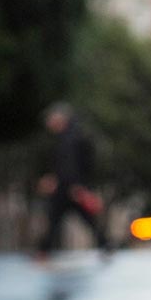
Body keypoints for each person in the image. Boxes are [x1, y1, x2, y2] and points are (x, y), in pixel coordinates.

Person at [36, 102, 108, 256]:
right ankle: (105, 244)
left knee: (57, 219)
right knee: (67, 219)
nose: (49, 123)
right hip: (69, 186)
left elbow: (70, 165)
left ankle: (43, 250)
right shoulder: (71, 136)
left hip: (69, 187)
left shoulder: (69, 139)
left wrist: (76, 186)